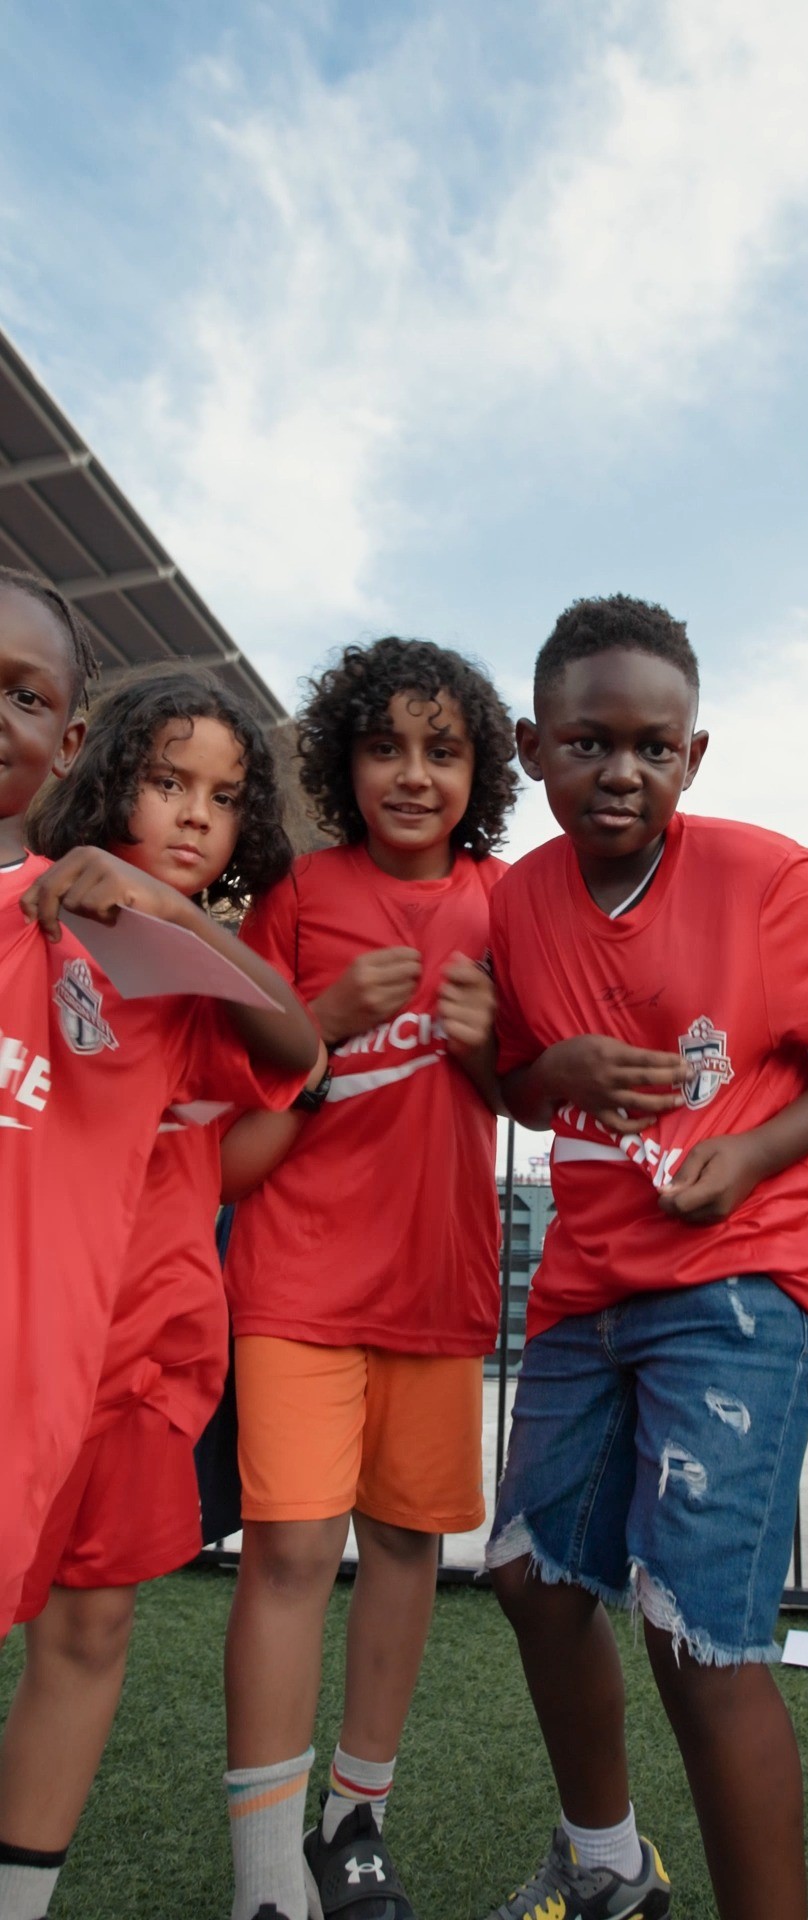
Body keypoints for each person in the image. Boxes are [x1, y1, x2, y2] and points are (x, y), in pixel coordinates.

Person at [480, 593, 808, 1920]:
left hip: (741, 1285)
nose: (621, 770)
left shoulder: (759, 878)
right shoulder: (517, 902)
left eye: (653, 747)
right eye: (587, 742)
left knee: (696, 1630)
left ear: (696, 755)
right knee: (530, 1574)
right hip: (585, 1287)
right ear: (531, 745)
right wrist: (542, 1071)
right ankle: (607, 1865)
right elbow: (512, 1083)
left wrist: (757, 1149)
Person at [0, 663, 323, 1920]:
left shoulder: (186, 970)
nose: (196, 814)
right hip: (27, 1339)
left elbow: (295, 1048)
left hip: (142, 1359)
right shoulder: (26, 905)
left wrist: (173, 917)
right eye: (166, 781)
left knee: (89, 1634)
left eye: (227, 797)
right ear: (102, 774)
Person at [217, 637, 517, 1920]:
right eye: (385, 746)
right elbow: (244, 1086)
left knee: (404, 1546)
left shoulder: (507, 901)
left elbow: (531, 1089)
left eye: (441, 751)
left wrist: (497, 1049)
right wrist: (321, 1021)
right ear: (344, 758)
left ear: (478, 770)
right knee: (289, 1550)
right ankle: (264, 1877)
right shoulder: (296, 895)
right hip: (294, 1279)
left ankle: (357, 1821)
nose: (411, 773)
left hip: (439, 1285)